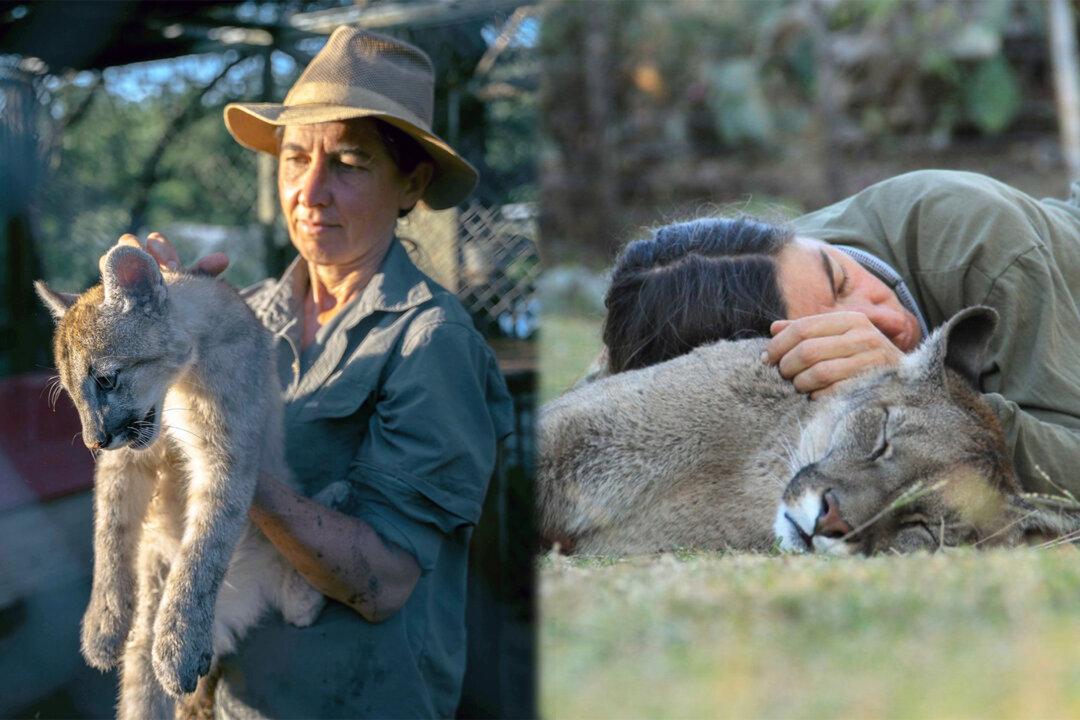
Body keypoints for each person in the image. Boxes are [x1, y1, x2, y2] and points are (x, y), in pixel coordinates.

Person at [119, 27, 514, 718]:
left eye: (350, 163)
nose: (310, 191)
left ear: (411, 183)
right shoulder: (250, 317)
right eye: (295, 157)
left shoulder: (431, 340)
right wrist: (154, 338)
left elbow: (383, 582)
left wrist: (233, 463)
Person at [600, 170, 1080, 497]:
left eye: (842, 279)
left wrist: (918, 390)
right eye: (839, 336)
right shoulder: (773, 304)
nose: (888, 321)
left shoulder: (986, 246)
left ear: (803, 239)